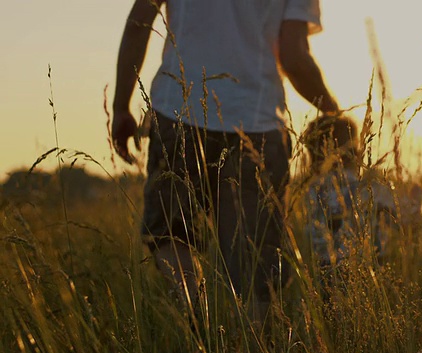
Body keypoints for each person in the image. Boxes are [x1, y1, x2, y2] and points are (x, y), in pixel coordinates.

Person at [111, 0, 340, 323]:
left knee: (171, 235)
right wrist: (332, 110)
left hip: (179, 111)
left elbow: (139, 23)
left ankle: (195, 318)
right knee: (254, 259)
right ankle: (247, 344)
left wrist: (122, 106)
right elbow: (294, 57)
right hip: (257, 124)